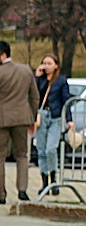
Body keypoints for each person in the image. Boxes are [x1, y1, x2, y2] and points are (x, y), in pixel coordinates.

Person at [0, 40, 38, 204]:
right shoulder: (26, 70)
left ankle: (1, 194)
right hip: (22, 118)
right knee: (22, 155)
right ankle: (22, 190)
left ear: (3, 55)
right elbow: (35, 96)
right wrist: (32, 116)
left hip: (0, 119)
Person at [34, 53, 72, 194]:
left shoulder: (61, 81)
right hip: (41, 116)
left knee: (51, 148)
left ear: (56, 65)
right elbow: (33, 95)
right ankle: (44, 181)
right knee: (41, 149)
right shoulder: (41, 80)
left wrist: (69, 119)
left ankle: (53, 179)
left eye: (49, 63)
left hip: (55, 117)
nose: (46, 66)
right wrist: (37, 77)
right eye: (44, 63)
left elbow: (66, 101)